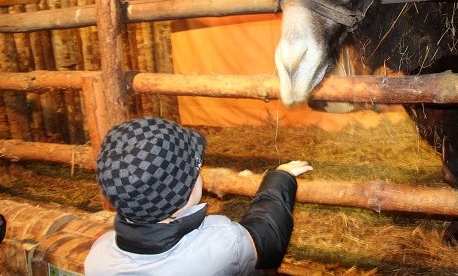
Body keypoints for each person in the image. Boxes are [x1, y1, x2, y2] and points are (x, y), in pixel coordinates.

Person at [84, 116, 313, 275]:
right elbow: (268, 238)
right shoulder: (220, 242)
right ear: (181, 193)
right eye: (196, 170)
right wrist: (280, 178)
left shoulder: (99, 256)